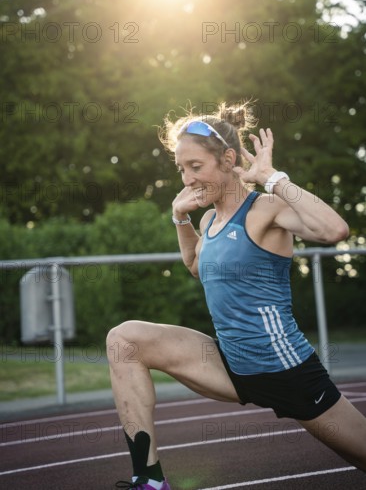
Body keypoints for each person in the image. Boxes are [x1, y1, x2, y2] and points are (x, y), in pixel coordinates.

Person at [107, 102, 366, 489]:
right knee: (124, 339)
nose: (188, 178)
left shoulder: (265, 209)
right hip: (230, 366)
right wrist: (180, 218)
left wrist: (273, 177)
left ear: (228, 160)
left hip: (286, 371)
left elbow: (334, 231)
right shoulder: (210, 218)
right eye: (181, 168)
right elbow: (197, 266)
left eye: (196, 167)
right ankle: (149, 480)